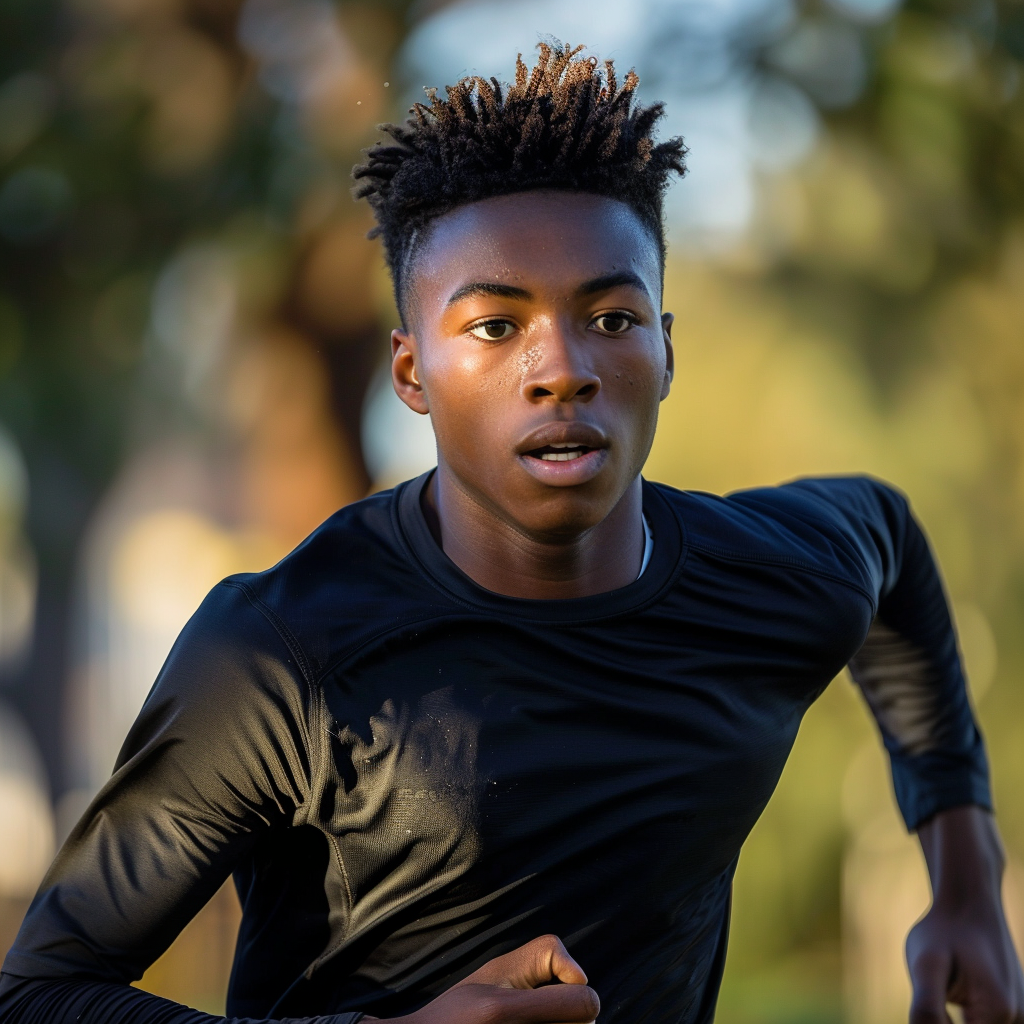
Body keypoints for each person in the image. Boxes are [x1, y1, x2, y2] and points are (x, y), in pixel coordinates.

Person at [1, 41, 1021, 1024]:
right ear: (410, 373)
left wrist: (965, 873)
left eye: (613, 320)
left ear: (666, 351)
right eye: (495, 326)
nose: (561, 367)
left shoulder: (771, 579)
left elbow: (890, 548)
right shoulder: (280, 652)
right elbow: (42, 992)